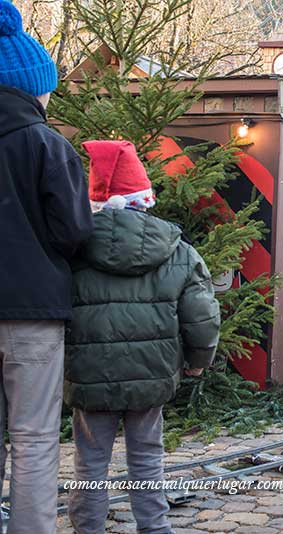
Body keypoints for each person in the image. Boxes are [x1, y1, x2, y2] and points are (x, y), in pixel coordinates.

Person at [65, 140, 221, 533]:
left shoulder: (70, 248)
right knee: (148, 457)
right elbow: (202, 316)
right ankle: (154, 528)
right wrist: (198, 362)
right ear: (143, 195)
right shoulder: (178, 252)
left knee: (90, 462)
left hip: (89, 376)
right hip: (152, 374)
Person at [0, 2, 94, 532]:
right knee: (33, 437)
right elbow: (74, 233)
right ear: (31, 86)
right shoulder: (46, 144)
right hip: (32, 313)